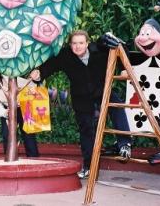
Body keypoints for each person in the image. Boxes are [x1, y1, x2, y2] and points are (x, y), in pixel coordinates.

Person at [30, 30, 132, 179]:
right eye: (74, 43)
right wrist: (39, 74)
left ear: (87, 43)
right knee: (86, 129)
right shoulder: (65, 55)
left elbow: (122, 48)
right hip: (81, 95)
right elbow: (49, 66)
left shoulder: (99, 49)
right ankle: (89, 167)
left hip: (102, 89)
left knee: (116, 105)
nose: (77, 47)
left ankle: (124, 144)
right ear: (70, 44)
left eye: (81, 43)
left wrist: (123, 68)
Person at [0, 65, 40, 157]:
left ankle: (33, 158)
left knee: (28, 133)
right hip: (8, 110)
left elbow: (30, 84)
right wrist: (5, 113)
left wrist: (36, 77)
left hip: (24, 106)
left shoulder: (6, 78)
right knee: (6, 134)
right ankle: (9, 158)